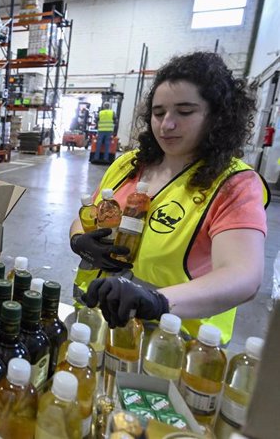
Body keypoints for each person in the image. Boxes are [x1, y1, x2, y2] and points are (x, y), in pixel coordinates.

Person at [69, 52, 270, 345]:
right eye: (158, 112)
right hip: (95, 321)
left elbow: (244, 276)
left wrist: (158, 301)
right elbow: (83, 218)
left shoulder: (233, 185)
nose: (167, 125)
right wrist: (79, 241)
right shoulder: (128, 165)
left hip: (170, 341)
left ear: (217, 116)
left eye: (185, 112)